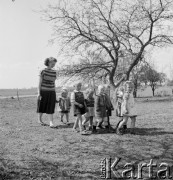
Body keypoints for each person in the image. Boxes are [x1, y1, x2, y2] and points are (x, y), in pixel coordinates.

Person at [37, 57, 57, 128]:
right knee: (41, 106)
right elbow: (39, 83)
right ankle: (39, 120)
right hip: (43, 91)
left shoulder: (54, 72)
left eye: (54, 63)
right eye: (52, 63)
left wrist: (55, 93)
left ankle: (51, 122)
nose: (53, 64)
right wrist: (39, 93)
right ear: (48, 62)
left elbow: (54, 83)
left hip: (51, 92)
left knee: (51, 107)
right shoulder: (42, 71)